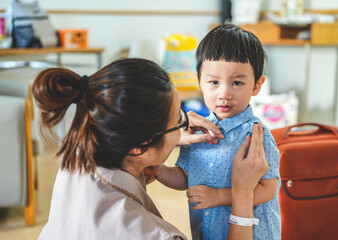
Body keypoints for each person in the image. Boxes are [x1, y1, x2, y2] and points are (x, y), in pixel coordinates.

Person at [33, 58, 268, 240]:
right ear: (141, 146)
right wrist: (242, 194)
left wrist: (171, 133)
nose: (187, 123)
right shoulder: (153, 234)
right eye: (178, 120)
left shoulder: (80, 153)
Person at [151, 24, 281, 240]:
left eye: (237, 83)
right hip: (209, 231)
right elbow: (185, 177)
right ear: (200, 81)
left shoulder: (257, 134)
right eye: (213, 82)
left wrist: (220, 196)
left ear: (257, 85)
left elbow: (269, 187)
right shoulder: (196, 132)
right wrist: (159, 171)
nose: (224, 94)